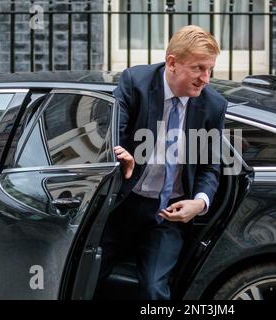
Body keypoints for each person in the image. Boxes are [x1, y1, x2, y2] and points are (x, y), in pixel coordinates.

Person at [95, 25, 227, 300]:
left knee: (154, 289)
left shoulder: (213, 105)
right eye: (198, 69)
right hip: (123, 206)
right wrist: (121, 157)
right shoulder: (136, 83)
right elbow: (109, 135)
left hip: (169, 214)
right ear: (172, 63)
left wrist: (199, 203)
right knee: (87, 277)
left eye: (210, 70)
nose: (206, 79)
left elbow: (209, 166)